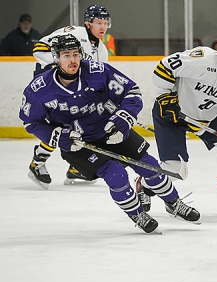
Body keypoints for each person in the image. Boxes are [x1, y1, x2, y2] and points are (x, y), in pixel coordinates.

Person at [18, 34, 200, 233]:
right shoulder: (40, 88)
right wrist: (58, 136)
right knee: (116, 174)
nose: (73, 60)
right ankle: (137, 214)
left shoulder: (97, 72)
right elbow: (30, 121)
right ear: (56, 58)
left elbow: (132, 92)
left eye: (76, 54)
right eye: (66, 55)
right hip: (78, 144)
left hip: (110, 129)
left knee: (150, 166)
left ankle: (173, 203)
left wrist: (122, 119)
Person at [145, 28, 217, 214]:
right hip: (172, 113)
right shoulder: (203, 59)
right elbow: (165, 66)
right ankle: (144, 187)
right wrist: (165, 98)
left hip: (203, 119)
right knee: (176, 169)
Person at [27, 5, 112, 189]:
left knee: (83, 122)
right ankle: (39, 163)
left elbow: (99, 77)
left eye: (105, 23)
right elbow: (39, 48)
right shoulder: (74, 32)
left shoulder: (102, 50)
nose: (102, 27)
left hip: (73, 89)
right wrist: (60, 65)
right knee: (63, 125)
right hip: (52, 85)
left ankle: (74, 166)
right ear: (88, 23)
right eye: (98, 22)